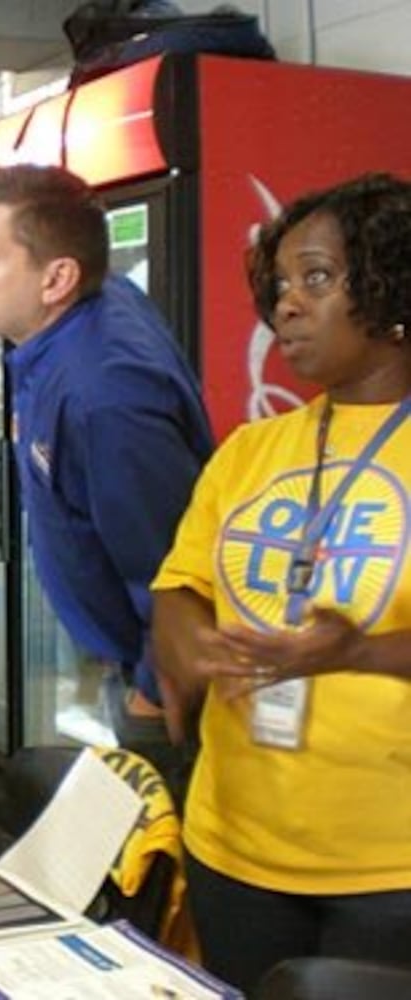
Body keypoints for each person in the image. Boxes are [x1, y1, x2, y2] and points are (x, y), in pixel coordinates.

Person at [151, 172, 411, 994]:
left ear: (390, 285)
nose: (284, 307)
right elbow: (177, 586)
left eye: (317, 278)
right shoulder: (249, 451)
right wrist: (191, 645)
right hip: (234, 849)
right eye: (281, 283)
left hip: (389, 869)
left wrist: (359, 653)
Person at [0, 164, 213, 794]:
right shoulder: (67, 322)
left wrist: (149, 698)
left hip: (163, 687)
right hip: (119, 658)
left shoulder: (106, 396)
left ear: (57, 278)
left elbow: (174, 571)